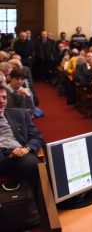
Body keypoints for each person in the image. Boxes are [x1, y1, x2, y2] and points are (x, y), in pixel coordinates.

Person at [0, 86, 44, 228]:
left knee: (35, 165)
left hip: (19, 154)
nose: (2, 101)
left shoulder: (19, 114)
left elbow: (37, 138)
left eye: (4, 98)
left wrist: (26, 149)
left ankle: (39, 211)